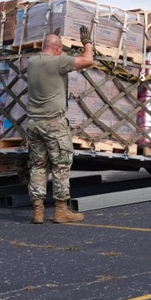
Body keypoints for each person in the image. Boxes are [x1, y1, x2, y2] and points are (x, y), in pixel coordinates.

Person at [25, 27, 94, 224]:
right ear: (57, 49)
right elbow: (87, 60)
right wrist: (87, 42)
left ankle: (37, 211)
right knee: (61, 165)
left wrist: (54, 41)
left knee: (38, 166)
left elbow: (48, 54)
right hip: (53, 123)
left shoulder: (32, 62)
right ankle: (61, 210)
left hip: (34, 123)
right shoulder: (58, 62)